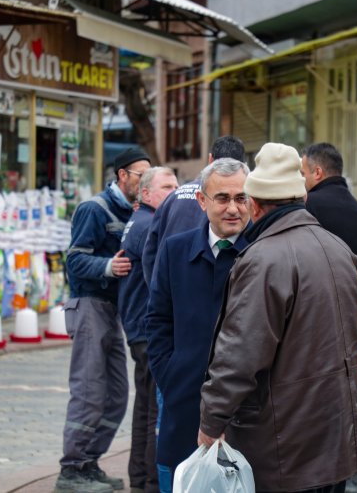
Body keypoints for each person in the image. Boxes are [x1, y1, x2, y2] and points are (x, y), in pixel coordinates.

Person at [198, 142, 357, 493]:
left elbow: (240, 354)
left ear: (255, 205)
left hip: (284, 446)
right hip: (333, 440)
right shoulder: (337, 248)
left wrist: (211, 421)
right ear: (301, 200)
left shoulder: (263, 259)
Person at [145, 158, 251, 489]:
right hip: (184, 405)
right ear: (203, 201)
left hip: (246, 419)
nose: (233, 208)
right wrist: (172, 377)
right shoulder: (176, 249)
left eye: (241, 198)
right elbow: (158, 322)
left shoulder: (262, 253)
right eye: (223, 198)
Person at [56, 147, 151, 493]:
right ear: (122, 175)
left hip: (114, 312)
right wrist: (109, 267)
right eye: (141, 174)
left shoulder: (135, 212)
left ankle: (89, 462)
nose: (145, 182)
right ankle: (71, 471)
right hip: (89, 307)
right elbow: (75, 261)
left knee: (116, 394)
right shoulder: (93, 210)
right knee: (89, 390)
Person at [118, 167, 178, 493]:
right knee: (155, 413)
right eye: (167, 186)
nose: (174, 191)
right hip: (146, 331)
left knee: (144, 411)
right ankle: (150, 484)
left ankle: (140, 482)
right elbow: (159, 280)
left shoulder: (140, 221)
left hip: (139, 329)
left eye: (176, 185)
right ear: (146, 194)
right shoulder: (149, 224)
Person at [301, 142, 357, 363]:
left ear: (317, 172)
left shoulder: (305, 208)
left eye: (303, 173)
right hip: (350, 331)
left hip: (307, 329)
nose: (302, 180)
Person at [141, 136, 244, 285]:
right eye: (222, 198)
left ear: (210, 160)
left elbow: (149, 253)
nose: (231, 207)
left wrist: (157, 290)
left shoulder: (173, 197)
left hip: (171, 290)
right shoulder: (244, 206)